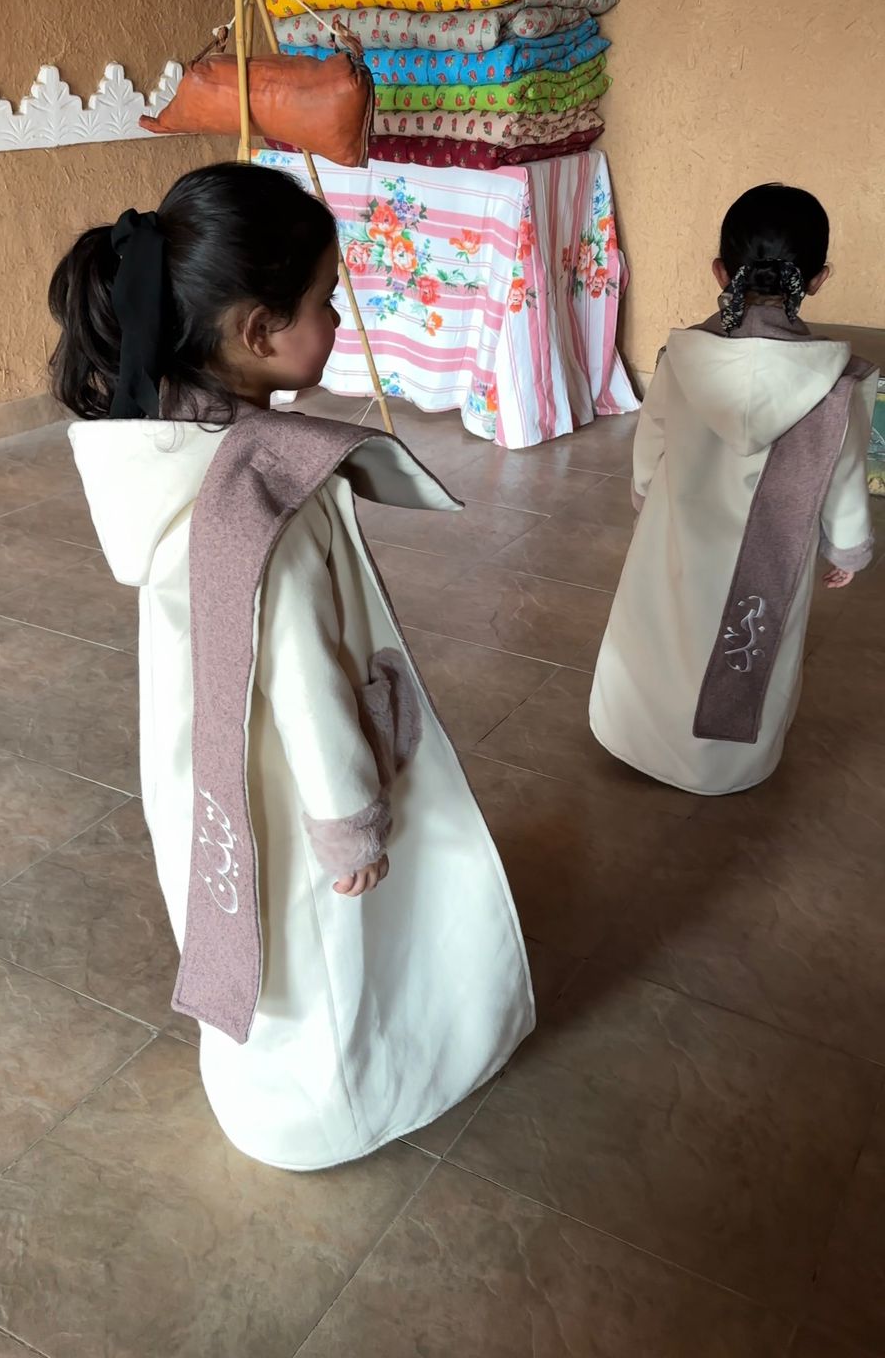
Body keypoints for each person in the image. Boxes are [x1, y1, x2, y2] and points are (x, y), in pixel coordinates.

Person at [48, 161, 534, 1169]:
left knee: (248, 917)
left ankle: (264, 1083)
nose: (337, 318)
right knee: (324, 939)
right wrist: (348, 820)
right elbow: (307, 681)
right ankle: (331, 1111)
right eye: (323, 301)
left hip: (208, 758)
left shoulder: (165, 449)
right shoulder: (265, 496)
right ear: (258, 331)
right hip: (290, 771)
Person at [590, 183, 878, 796]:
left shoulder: (681, 356)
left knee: (661, 626)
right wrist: (846, 547)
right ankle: (721, 764)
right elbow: (844, 472)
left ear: (721, 271)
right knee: (745, 645)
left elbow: (652, 443)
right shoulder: (838, 384)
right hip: (771, 551)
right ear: (818, 279)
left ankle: (636, 734)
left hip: (676, 527)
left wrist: (645, 498)